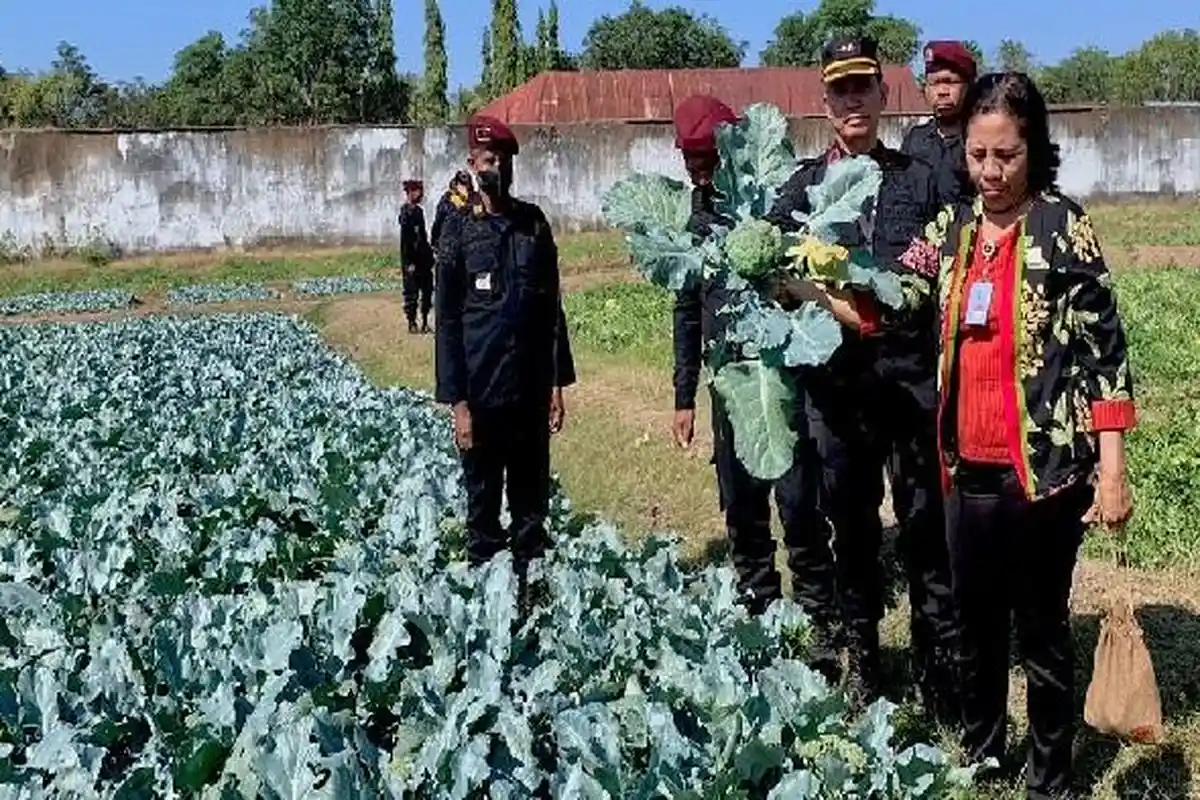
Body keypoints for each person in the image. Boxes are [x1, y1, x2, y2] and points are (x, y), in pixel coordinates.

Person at [934, 71, 1136, 800]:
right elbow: (890, 295)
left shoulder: (1061, 223)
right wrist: (805, 282)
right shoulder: (953, 228)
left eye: (1006, 156)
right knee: (976, 627)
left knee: (1043, 634)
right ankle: (985, 751)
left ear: (1034, 149)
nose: (990, 172)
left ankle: (1051, 777)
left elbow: (1104, 354)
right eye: (978, 155)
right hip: (967, 469)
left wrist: (1111, 470)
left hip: (1042, 474)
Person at [765, 35, 958, 716]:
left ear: (883, 95)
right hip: (837, 397)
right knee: (851, 530)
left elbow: (933, 274)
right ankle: (866, 662)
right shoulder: (799, 192)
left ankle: (938, 673)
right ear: (825, 100)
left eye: (863, 86)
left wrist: (857, 296)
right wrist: (793, 286)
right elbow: (770, 279)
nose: (853, 100)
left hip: (908, 388)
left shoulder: (918, 180)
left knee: (923, 528)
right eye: (840, 89)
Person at [669, 94, 834, 647]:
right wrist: (683, 395)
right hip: (729, 380)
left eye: (705, 158)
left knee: (797, 501)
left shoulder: (774, 203)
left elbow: (810, 276)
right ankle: (759, 616)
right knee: (740, 505)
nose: (698, 170)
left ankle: (817, 618)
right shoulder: (693, 218)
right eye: (689, 161)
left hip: (783, 376)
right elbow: (686, 309)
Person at [434, 114, 576, 588]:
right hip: (481, 396)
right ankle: (486, 609)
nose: (496, 168)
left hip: (529, 393)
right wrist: (457, 404)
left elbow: (552, 307)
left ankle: (532, 601)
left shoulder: (533, 225)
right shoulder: (458, 233)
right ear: (472, 164)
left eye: (503, 160)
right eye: (487, 160)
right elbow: (448, 322)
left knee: (532, 510)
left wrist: (557, 381)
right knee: (482, 513)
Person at [902, 41, 977, 203]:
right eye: (934, 83)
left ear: (969, 87)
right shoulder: (914, 140)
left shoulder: (981, 140)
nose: (942, 92)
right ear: (926, 90)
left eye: (950, 82)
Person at [398, 179, 434, 333]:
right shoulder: (406, 213)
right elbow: (406, 241)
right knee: (411, 293)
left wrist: (429, 255)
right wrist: (409, 262)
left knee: (427, 290)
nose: (421, 194)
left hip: (423, 259)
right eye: (418, 191)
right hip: (412, 261)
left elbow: (423, 237)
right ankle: (412, 322)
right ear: (410, 193)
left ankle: (425, 321)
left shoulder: (419, 211)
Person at [431, 170, 473, 250]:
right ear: (456, 185)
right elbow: (438, 222)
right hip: (448, 244)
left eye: (467, 185)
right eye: (462, 185)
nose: (465, 189)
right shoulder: (447, 200)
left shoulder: (473, 201)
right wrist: (434, 242)